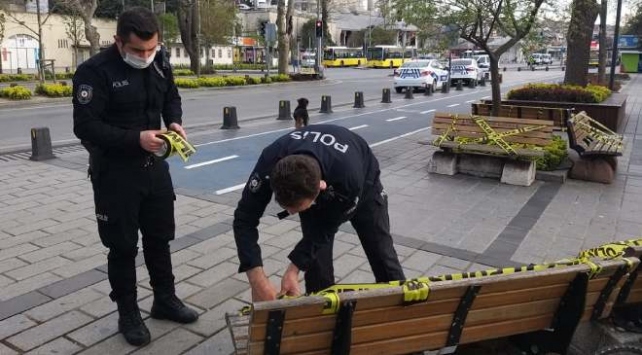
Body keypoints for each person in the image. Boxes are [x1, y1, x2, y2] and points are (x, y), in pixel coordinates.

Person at [72, 7, 198, 347]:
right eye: (138, 50)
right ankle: (128, 313)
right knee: (123, 246)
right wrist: (135, 139)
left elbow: (171, 96)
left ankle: (165, 299)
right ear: (118, 42)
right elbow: (85, 127)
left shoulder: (159, 59)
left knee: (160, 238)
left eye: (151, 48)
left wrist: (173, 121)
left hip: (155, 168)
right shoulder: (93, 72)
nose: (146, 56)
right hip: (115, 174)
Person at [233, 124, 406, 301]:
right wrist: (257, 280)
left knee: (382, 253)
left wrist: (293, 268)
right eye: (287, 208)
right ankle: (321, 316)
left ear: (320, 187)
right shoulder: (270, 159)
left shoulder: (348, 178)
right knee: (317, 269)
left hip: (365, 188)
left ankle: (402, 307)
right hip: (316, 183)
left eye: (298, 209)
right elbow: (244, 218)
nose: (291, 214)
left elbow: (325, 229)